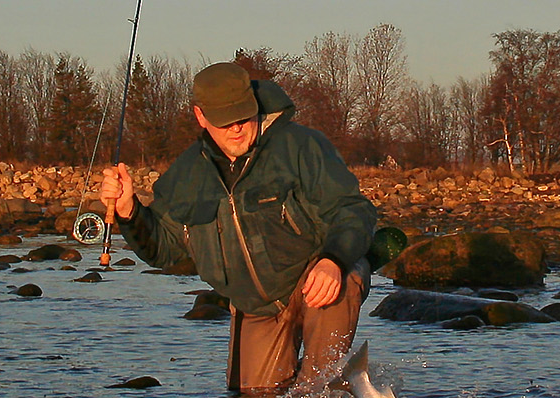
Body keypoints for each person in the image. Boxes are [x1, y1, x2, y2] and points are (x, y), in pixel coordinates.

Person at [101, 60, 378, 394]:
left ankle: (340, 381)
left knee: (316, 388)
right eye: (224, 120)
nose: (236, 128)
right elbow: (164, 249)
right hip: (257, 305)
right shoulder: (188, 174)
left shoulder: (301, 146)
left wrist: (334, 259)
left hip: (317, 278)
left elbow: (353, 210)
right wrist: (130, 211)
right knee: (254, 393)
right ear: (200, 116)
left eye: (243, 116)